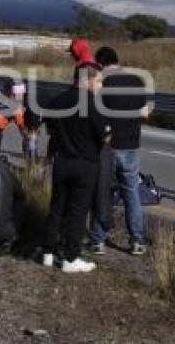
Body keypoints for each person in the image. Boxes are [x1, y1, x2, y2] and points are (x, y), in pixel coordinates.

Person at [41, 62, 110, 273]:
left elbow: (49, 127)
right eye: (98, 81)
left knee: (57, 207)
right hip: (85, 164)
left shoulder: (58, 100)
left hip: (61, 161)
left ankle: (48, 252)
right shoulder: (91, 104)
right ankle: (71, 258)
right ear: (86, 79)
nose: (100, 86)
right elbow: (106, 136)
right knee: (77, 212)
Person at [87, 46, 150, 256]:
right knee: (131, 192)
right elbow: (145, 113)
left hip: (109, 145)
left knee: (103, 191)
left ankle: (98, 240)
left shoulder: (103, 83)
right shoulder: (137, 81)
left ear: (101, 64)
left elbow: (93, 112)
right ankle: (137, 241)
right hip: (132, 144)